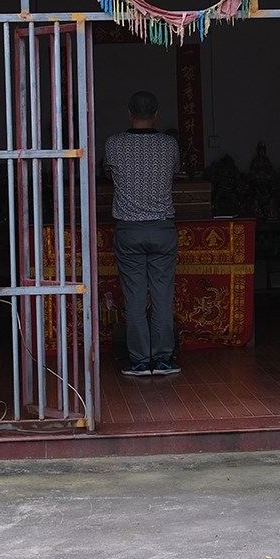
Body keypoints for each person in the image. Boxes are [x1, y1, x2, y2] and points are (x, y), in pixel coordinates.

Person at [103, 90, 181, 376]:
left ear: (129, 113)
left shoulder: (114, 144)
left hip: (129, 230)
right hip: (162, 228)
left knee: (134, 297)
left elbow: (109, 174)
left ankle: (138, 361)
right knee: (162, 296)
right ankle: (162, 360)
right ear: (156, 115)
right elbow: (173, 173)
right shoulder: (169, 144)